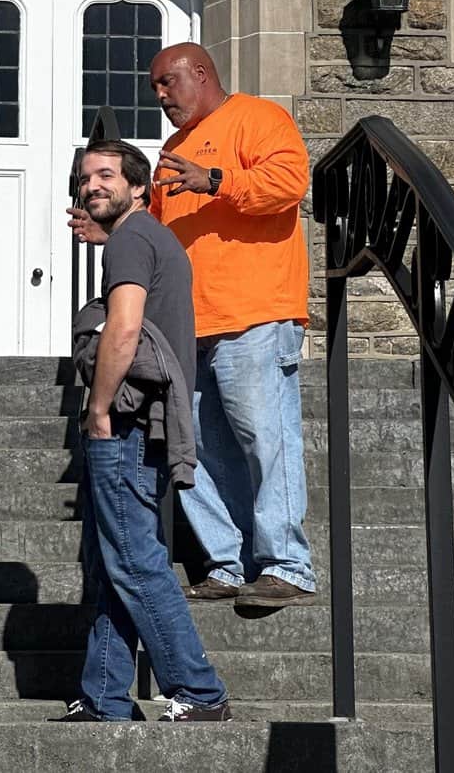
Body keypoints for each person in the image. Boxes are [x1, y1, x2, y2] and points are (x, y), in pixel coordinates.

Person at [54, 140, 231, 723]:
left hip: (126, 420)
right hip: (149, 420)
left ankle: (199, 691)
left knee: (133, 559)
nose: (92, 186)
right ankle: (105, 695)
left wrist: (98, 408)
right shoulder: (149, 238)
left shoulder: (131, 239)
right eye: (85, 178)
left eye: (106, 175)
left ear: (139, 186)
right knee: (115, 560)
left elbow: (123, 330)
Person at [147, 43, 316, 606]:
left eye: (167, 82)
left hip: (255, 313)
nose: (161, 95)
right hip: (186, 323)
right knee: (193, 448)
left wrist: (216, 179)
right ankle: (227, 562)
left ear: (201, 72)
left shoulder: (260, 118)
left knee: (264, 439)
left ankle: (288, 566)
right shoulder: (172, 150)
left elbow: (289, 185)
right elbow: (156, 229)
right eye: (155, 88)